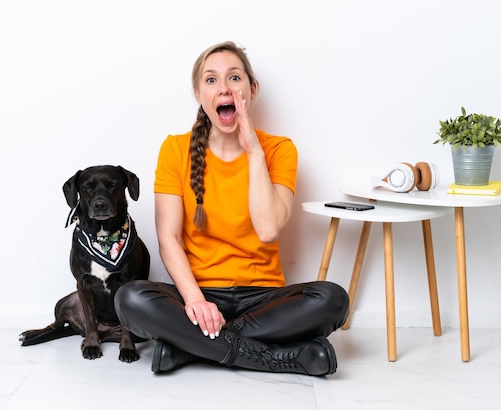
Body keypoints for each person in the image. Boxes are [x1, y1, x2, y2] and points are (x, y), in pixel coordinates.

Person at [114, 41, 349, 376]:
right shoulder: (175, 149)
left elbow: (268, 229)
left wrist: (253, 152)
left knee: (333, 299)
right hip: (196, 295)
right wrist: (195, 301)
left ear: (252, 89)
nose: (223, 88)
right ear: (198, 93)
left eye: (234, 78)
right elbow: (168, 238)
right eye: (211, 80)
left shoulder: (279, 150)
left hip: (263, 301)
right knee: (129, 299)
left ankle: (190, 348)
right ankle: (282, 357)